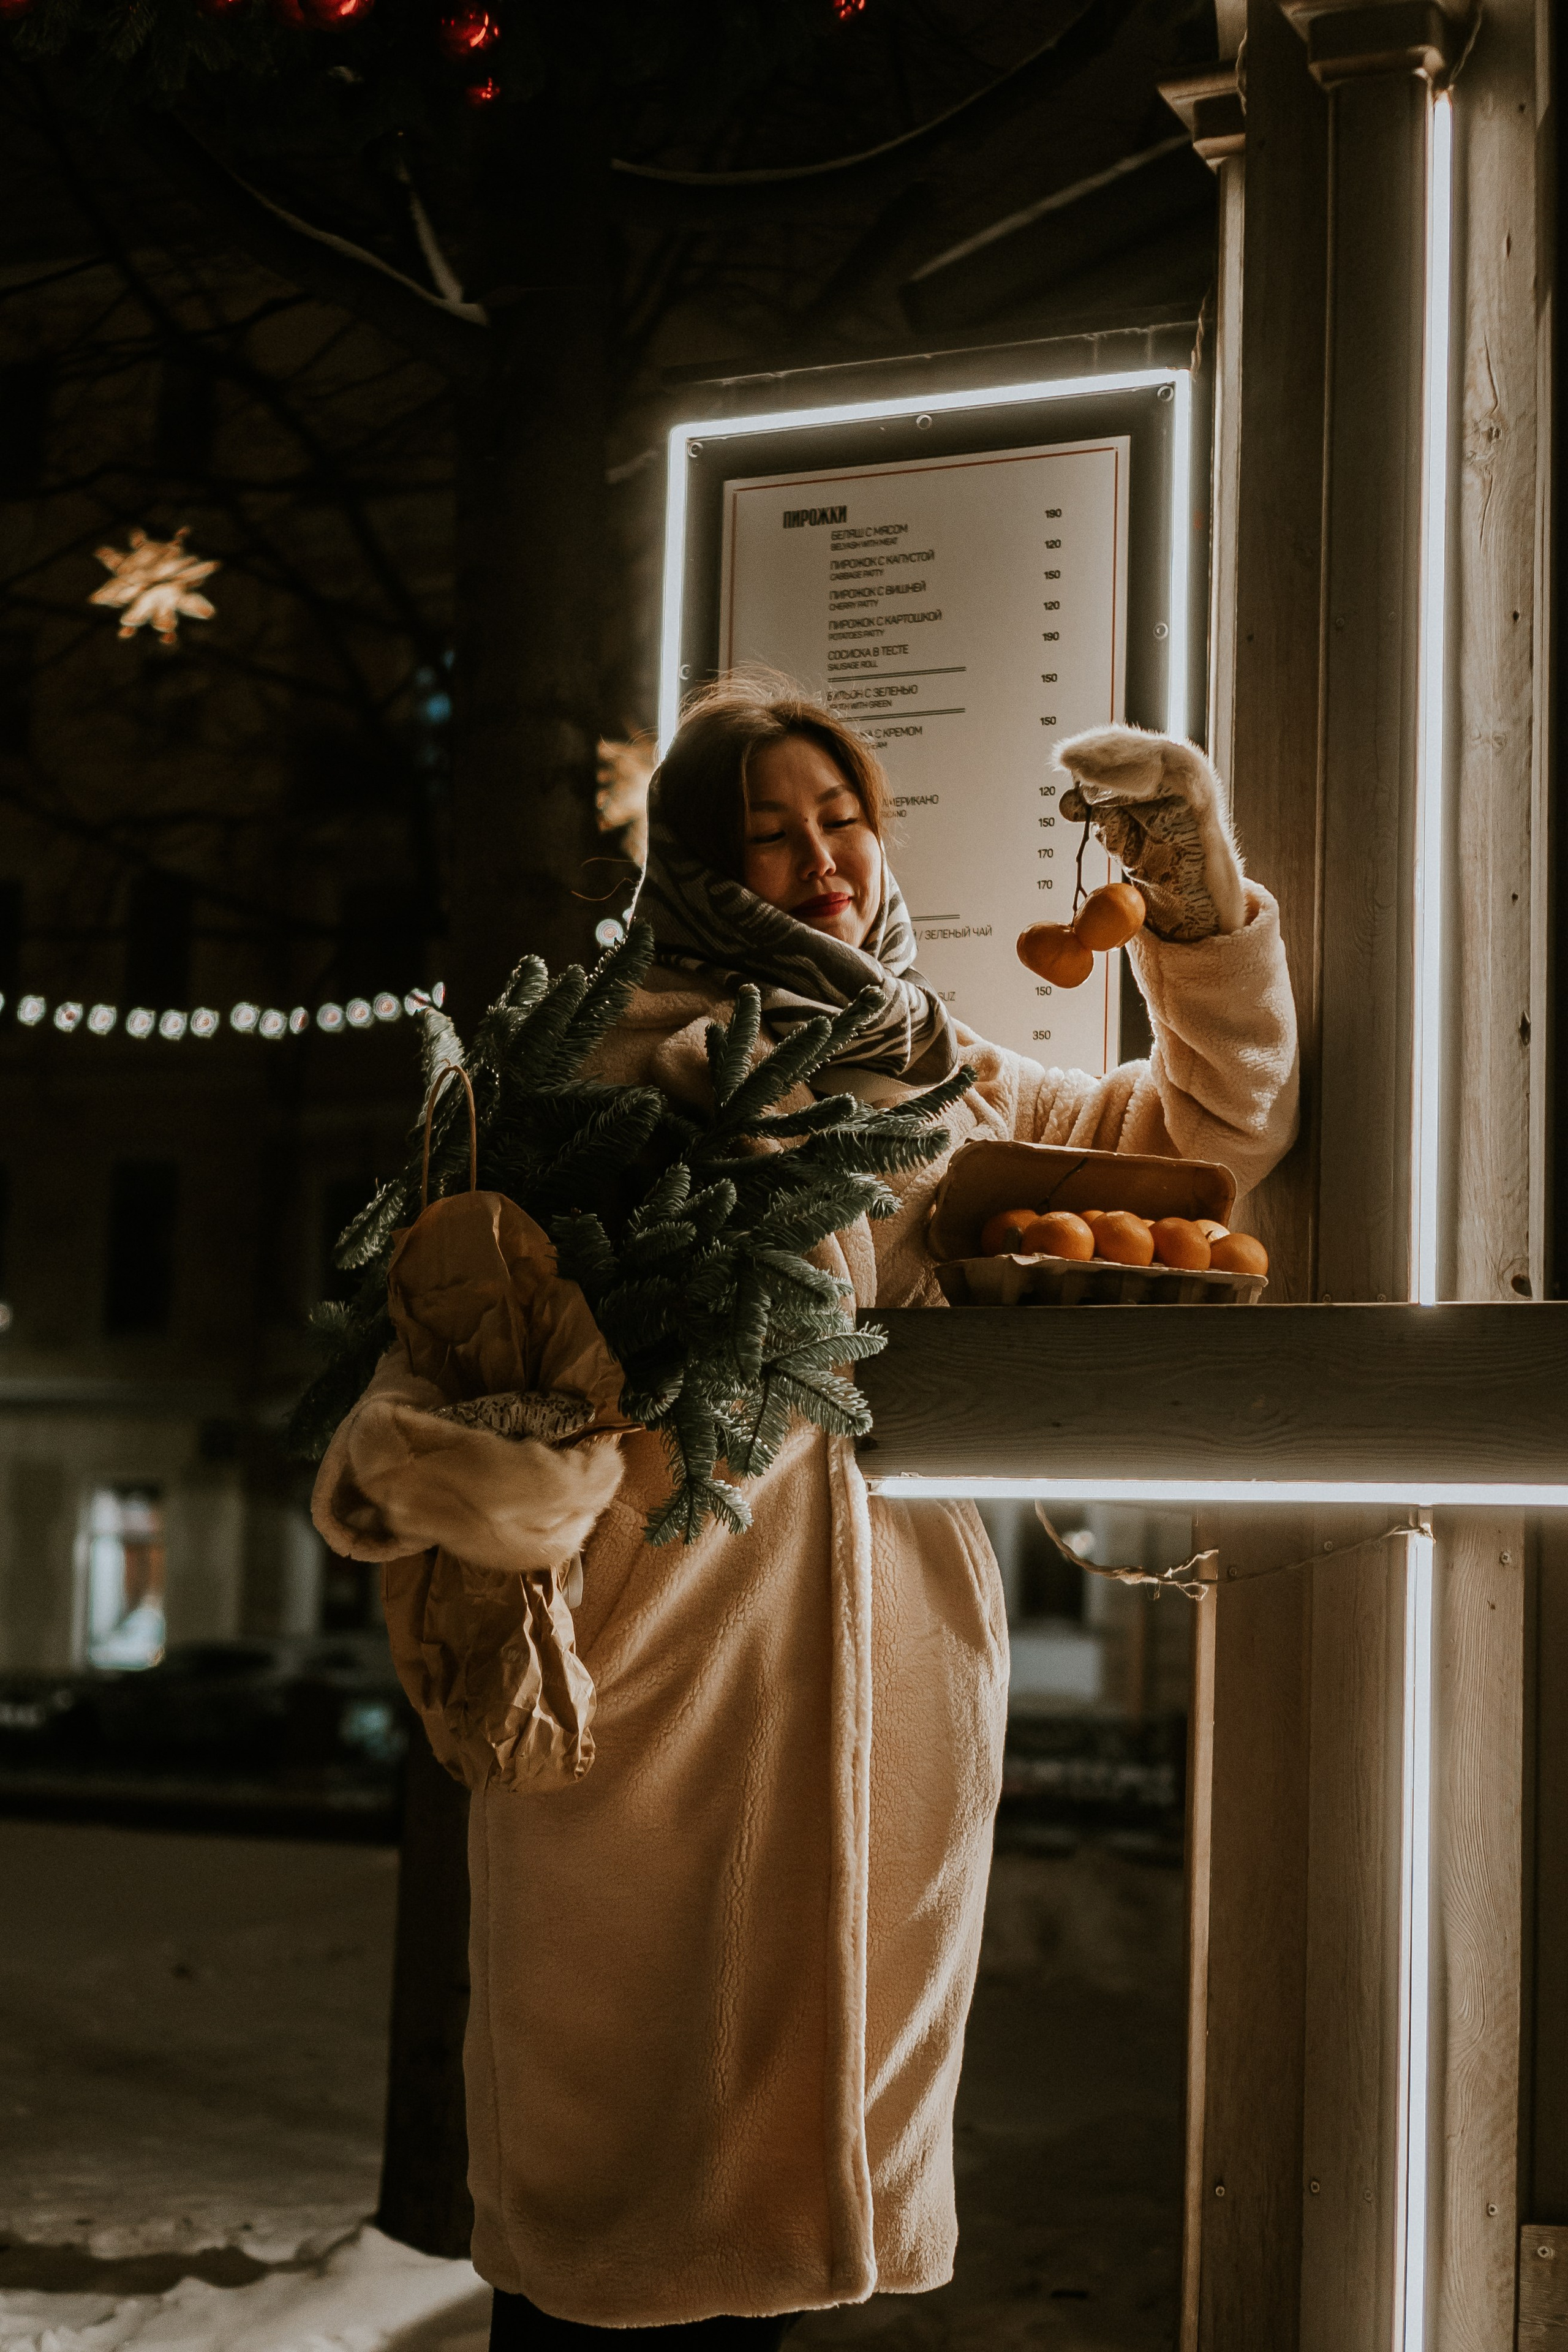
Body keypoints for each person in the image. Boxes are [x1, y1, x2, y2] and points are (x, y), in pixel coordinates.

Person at [315, 678, 1298, 2348]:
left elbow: (1197, 1134)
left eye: (840, 818)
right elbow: (474, 1336)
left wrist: (1188, 905)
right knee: (614, 2174)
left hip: (893, 1659)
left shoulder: (929, 1058)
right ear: (698, 861)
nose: (822, 858)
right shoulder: (604, 1065)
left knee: (811, 2164)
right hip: (659, 1656)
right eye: (770, 831)